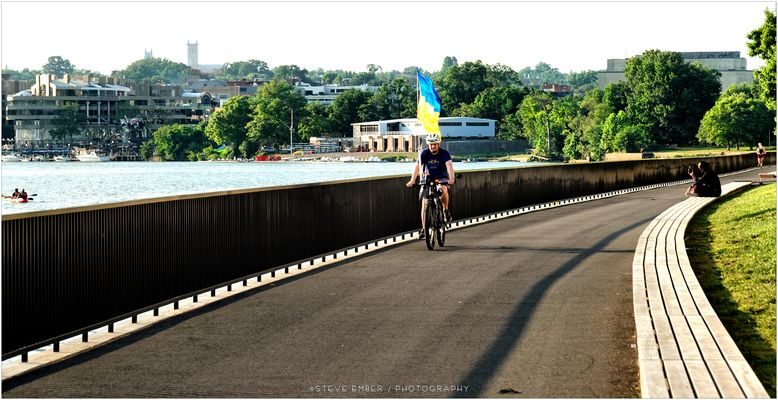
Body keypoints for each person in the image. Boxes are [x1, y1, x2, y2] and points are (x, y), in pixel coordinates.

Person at [406, 133, 455, 239]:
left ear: (439, 144)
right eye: (431, 144)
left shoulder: (444, 153)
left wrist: (451, 179)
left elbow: (449, 165)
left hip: (441, 178)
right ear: (428, 144)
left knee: (443, 189)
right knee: (424, 204)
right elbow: (417, 167)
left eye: (435, 144)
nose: (433, 146)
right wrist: (412, 180)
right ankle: (424, 229)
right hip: (427, 179)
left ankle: (445, 210)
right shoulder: (424, 153)